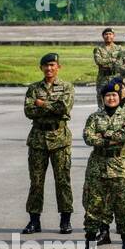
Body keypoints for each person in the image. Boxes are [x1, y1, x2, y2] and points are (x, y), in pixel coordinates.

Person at [82, 79, 125, 249]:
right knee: (93, 207)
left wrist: (104, 136)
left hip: (122, 166)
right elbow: (88, 137)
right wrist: (112, 138)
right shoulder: (94, 117)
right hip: (98, 167)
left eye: (114, 95)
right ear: (102, 98)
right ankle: (89, 245)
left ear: (120, 97)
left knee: (124, 207)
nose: (111, 98)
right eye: (108, 95)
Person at [23, 52, 74, 235]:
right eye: (46, 65)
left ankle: (65, 220)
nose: (49, 68)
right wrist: (51, 106)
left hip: (60, 139)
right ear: (41, 68)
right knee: (36, 182)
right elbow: (29, 111)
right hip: (38, 139)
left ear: (59, 67)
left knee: (63, 181)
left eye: (53, 65)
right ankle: (34, 220)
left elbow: (64, 108)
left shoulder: (66, 87)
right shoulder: (34, 88)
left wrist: (42, 104)